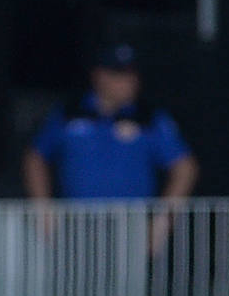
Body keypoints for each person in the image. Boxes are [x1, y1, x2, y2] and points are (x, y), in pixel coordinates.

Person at [23, 43, 197, 252]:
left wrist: (162, 221)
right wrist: (43, 210)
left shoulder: (149, 118)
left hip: (131, 227)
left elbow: (185, 168)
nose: (130, 82)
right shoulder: (70, 113)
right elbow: (35, 157)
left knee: (129, 283)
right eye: (120, 74)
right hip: (76, 226)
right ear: (99, 76)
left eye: (133, 74)